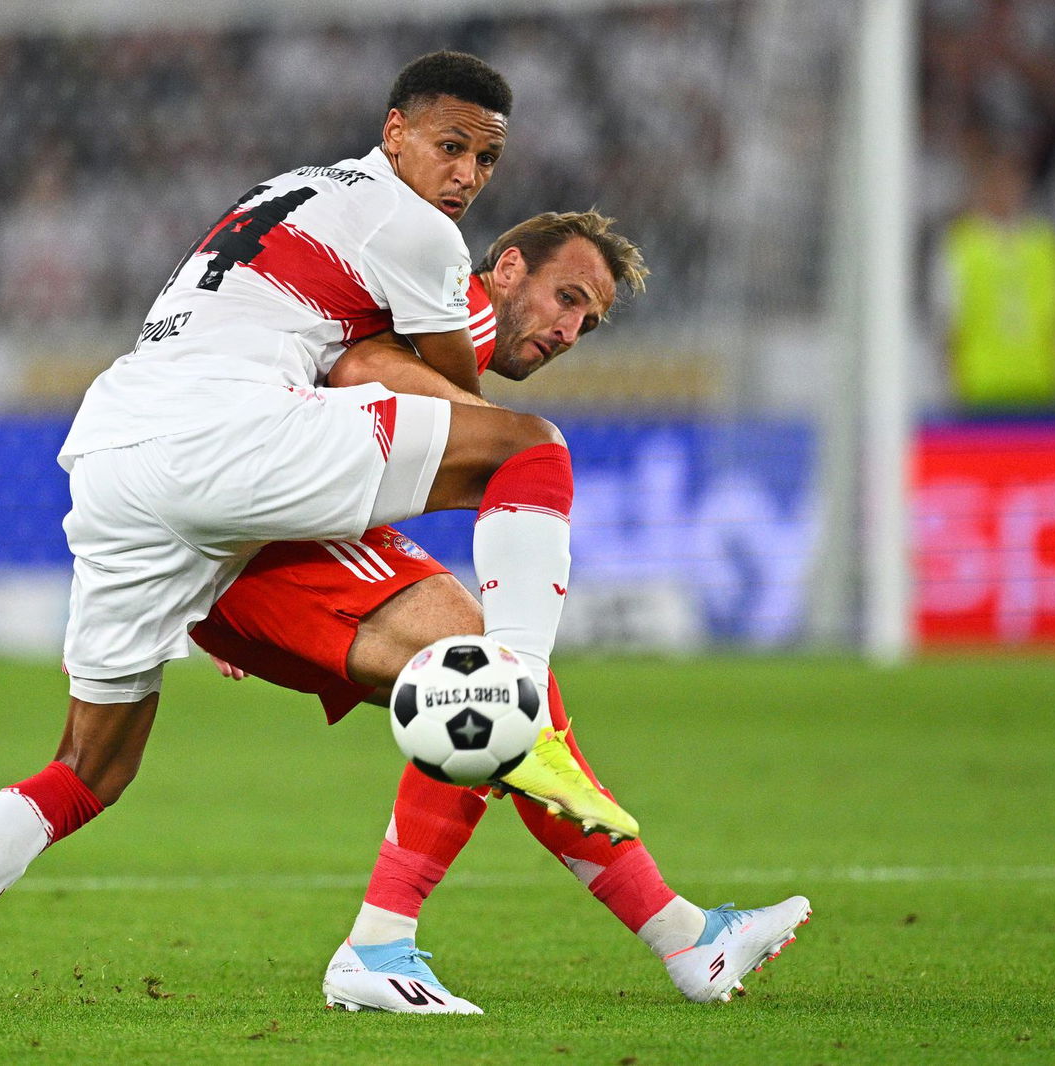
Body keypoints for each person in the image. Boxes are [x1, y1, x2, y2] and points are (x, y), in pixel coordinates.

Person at [0, 50, 637, 1011]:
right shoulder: (417, 230)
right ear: (395, 134)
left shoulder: (292, 186)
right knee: (527, 450)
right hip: (231, 431)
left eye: (485, 162)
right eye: (450, 146)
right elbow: (455, 393)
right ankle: (516, 697)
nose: (465, 175)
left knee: (89, 767)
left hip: (114, 452)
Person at [191, 211, 811, 1011]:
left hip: (244, 530)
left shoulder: (442, 330)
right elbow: (353, 368)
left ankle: (686, 938)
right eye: (567, 297)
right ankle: (380, 944)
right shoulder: (462, 310)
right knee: (496, 679)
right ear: (510, 268)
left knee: (501, 691)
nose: (570, 329)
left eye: (588, 321)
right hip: (261, 533)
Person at [934, 148, 1055, 415]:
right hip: (981, 389)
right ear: (982, 187)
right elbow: (948, 323)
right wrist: (954, 388)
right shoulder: (959, 246)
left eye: (1013, 181)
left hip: (1040, 386)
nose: (1006, 190)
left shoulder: (1047, 244)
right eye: (997, 181)